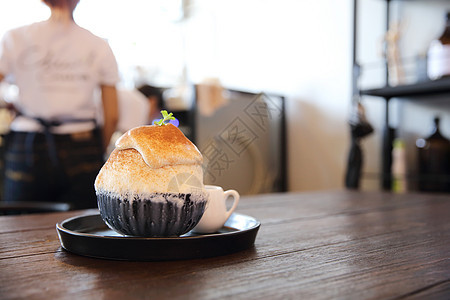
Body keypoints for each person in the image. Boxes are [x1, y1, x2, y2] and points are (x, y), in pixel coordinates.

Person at [0, 0, 119, 209]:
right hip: (81, 143)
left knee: (21, 227)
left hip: (27, 142)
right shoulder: (97, 44)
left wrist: (9, 104)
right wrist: (100, 149)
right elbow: (112, 115)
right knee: (81, 226)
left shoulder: (15, 37)